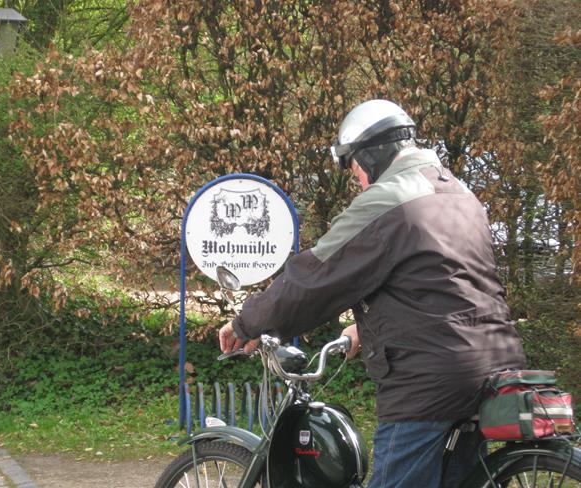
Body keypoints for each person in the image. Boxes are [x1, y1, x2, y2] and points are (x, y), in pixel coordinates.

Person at [218, 99, 526, 487]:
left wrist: (248, 322)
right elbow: (445, 285)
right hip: (493, 363)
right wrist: (362, 329)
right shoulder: (459, 195)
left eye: (356, 171)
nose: (360, 182)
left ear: (370, 155)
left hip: (429, 382)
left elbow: (314, 278)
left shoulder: (389, 198)